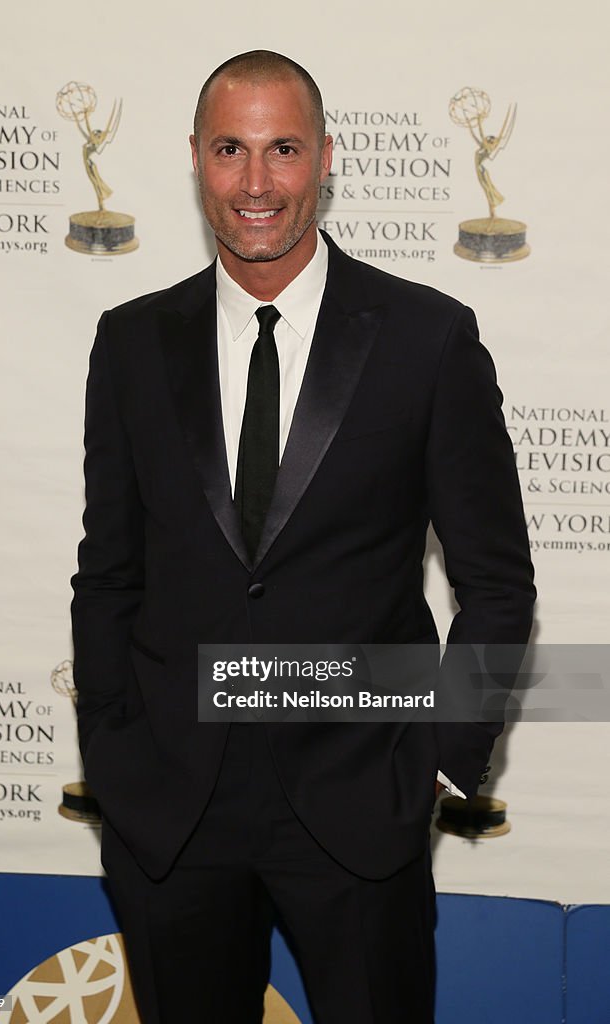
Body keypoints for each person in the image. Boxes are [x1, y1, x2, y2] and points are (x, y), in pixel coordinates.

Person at [71, 50, 535, 1024]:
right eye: (229, 150)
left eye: (281, 149)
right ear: (194, 159)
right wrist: (114, 754)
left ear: (325, 157)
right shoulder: (130, 342)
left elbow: (495, 579)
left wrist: (445, 758)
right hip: (171, 811)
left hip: (359, 799)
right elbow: (107, 572)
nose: (255, 183)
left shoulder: (425, 339)